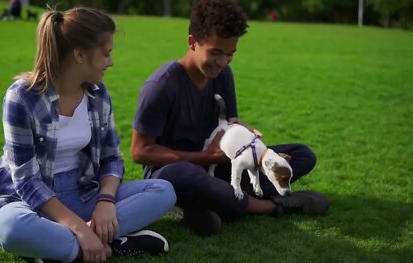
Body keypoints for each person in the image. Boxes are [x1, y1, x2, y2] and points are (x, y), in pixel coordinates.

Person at [0, 7, 177, 263]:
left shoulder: (98, 94)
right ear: (79, 55)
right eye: (106, 53)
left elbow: (112, 158)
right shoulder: (21, 98)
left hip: (85, 192)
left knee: (163, 191)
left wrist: (106, 201)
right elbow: (27, 181)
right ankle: (109, 242)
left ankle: (57, 250)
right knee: (9, 227)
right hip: (31, 201)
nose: (111, 62)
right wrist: (80, 228)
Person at [131, 0, 329, 236]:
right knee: (182, 175)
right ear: (192, 42)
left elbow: (230, 121)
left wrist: (247, 136)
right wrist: (204, 157)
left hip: (219, 163)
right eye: (215, 53)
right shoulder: (161, 86)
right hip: (174, 171)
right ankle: (271, 206)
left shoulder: (222, 74)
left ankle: (204, 205)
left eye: (230, 54)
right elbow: (140, 152)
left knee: (301, 155)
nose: (223, 62)